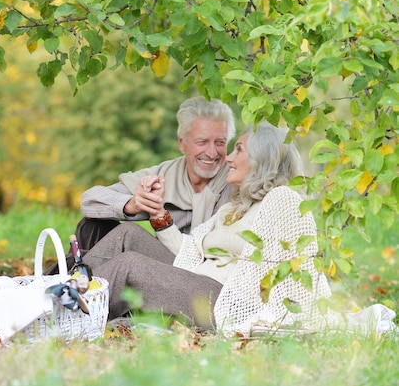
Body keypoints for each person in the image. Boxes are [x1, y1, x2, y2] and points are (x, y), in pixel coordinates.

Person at [81, 122, 333, 334]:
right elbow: (187, 253)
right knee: (128, 234)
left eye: (239, 149)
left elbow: (298, 267)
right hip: (196, 280)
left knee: (130, 266)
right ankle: (63, 285)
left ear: (261, 159)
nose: (229, 158)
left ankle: (68, 313)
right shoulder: (234, 208)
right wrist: (157, 214)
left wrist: (272, 319)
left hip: (224, 301)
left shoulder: (283, 199)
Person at [42, 96, 237, 276]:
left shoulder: (235, 180)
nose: (212, 153)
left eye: (220, 142)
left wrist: (160, 216)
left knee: (128, 235)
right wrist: (132, 205)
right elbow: (90, 200)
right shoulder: (166, 173)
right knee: (91, 225)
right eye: (202, 142)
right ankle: (72, 286)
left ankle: (68, 286)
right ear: (182, 143)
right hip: (161, 259)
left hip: (196, 273)